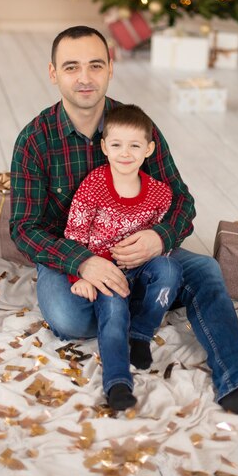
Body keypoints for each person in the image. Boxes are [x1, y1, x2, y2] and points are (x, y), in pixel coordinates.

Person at [10, 25, 238, 420]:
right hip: (74, 256)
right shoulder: (35, 140)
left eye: (95, 65)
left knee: (205, 269)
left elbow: (181, 201)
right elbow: (24, 227)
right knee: (70, 319)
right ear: (53, 73)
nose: (84, 77)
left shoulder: (136, 127)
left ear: (110, 70)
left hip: (141, 250)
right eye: (71, 67)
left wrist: (159, 237)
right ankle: (141, 301)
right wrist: (83, 261)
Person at [64, 103, 182, 409]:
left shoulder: (159, 193)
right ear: (104, 147)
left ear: (149, 149)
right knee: (113, 315)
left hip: (142, 267)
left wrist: (156, 250)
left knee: (170, 269)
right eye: (116, 145)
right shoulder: (93, 185)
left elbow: (162, 239)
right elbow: (75, 232)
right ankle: (117, 382)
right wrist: (78, 275)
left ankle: (141, 333)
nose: (125, 153)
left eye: (134, 145)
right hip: (106, 270)